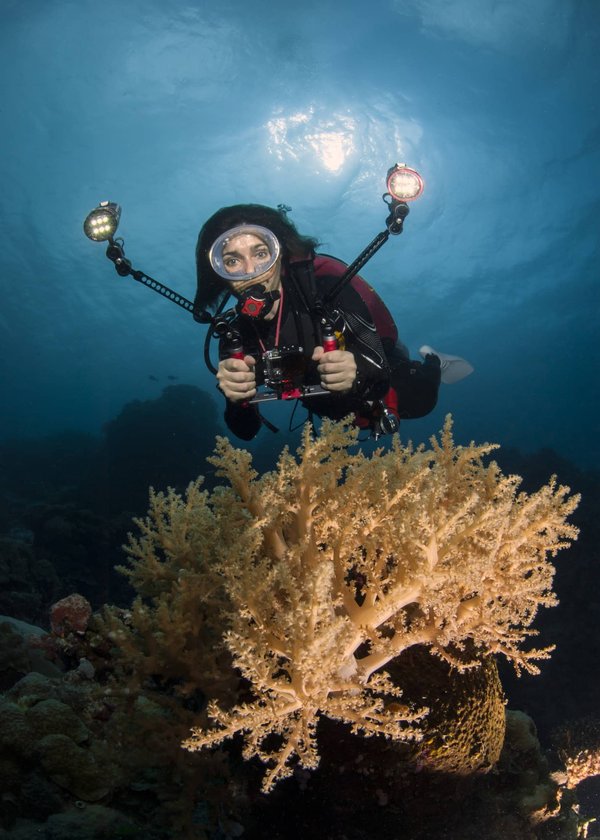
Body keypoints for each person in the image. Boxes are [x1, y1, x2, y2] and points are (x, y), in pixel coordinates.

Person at [194, 203, 472, 441]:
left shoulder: (327, 291)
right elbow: (246, 431)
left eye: (260, 253)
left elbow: (378, 376)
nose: (251, 272)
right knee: (342, 416)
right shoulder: (234, 336)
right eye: (232, 261)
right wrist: (236, 399)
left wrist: (356, 372)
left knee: (420, 400)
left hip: (383, 371)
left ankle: (434, 361)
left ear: (280, 256)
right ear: (219, 273)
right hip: (329, 407)